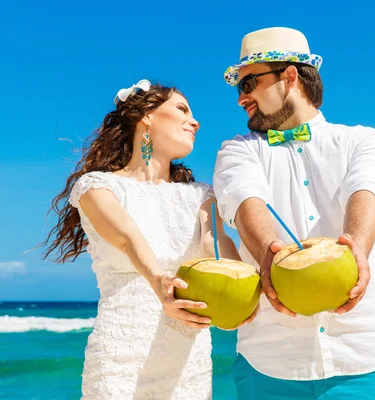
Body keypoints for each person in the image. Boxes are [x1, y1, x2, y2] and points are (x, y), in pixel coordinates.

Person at [214, 27, 375, 399]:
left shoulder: (365, 141)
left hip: (360, 363)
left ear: (290, 76)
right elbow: (245, 200)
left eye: (249, 82)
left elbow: (368, 188)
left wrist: (357, 249)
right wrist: (270, 254)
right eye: (239, 88)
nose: (241, 98)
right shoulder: (237, 151)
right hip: (267, 364)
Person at [42, 79, 249, 399]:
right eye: (182, 109)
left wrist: (253, 289)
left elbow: (215, 243)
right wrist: (161, 284)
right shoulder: (96, 187)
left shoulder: (201, 195)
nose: (195, 121)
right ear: (146, 116)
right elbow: (128, 237)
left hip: (188, 363)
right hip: (121, 358)